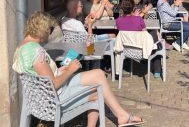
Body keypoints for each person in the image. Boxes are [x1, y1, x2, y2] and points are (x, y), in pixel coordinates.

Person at [12, 11, 144, 127]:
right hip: (54, 99)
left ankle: (121, 115)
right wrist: (70, 70)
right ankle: (121, 116)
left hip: (42, 97)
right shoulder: (36, 52)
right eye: (50, 29)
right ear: (42, 29)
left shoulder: (22, 48)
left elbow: (43, 77)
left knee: (98, 74)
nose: (50, 33)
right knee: (97, 92)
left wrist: (61, 70)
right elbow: (53, 84)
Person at [116, 0, 162, 78]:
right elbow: (145, 33)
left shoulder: (118, 20)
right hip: (141, 50)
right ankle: (157, 70)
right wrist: (136, 18)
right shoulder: (138, 19)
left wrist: (134, 17)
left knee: (153, 35)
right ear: (133, 8)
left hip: (127, 50)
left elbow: (127, 29)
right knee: (154, 34)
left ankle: (155, 61)